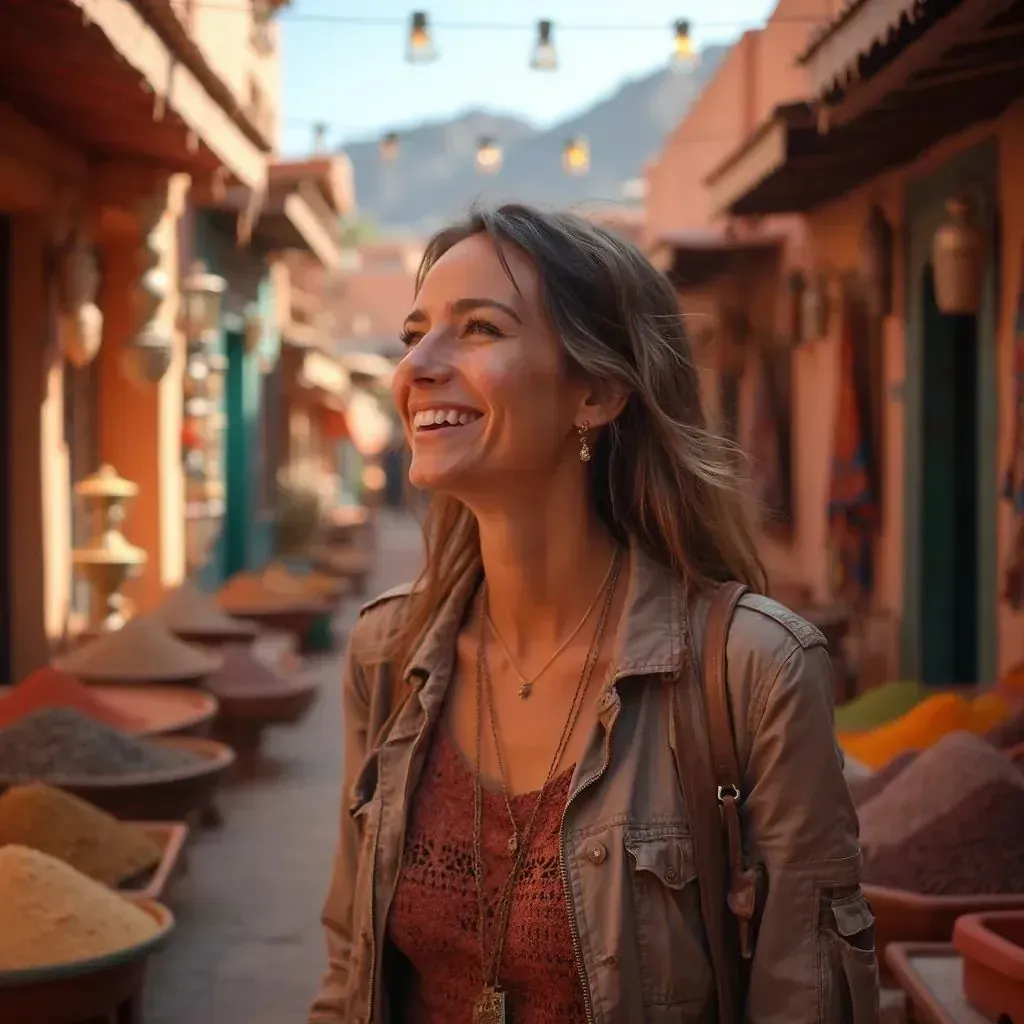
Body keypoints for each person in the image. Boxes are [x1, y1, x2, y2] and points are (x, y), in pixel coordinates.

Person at [309, 205, 879, 1024]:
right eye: (413, 333)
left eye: (477, 330)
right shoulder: (388, 656)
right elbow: (347, 969)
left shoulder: (753, 673)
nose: (417, 366)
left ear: (599, 391)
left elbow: (805, 1000)